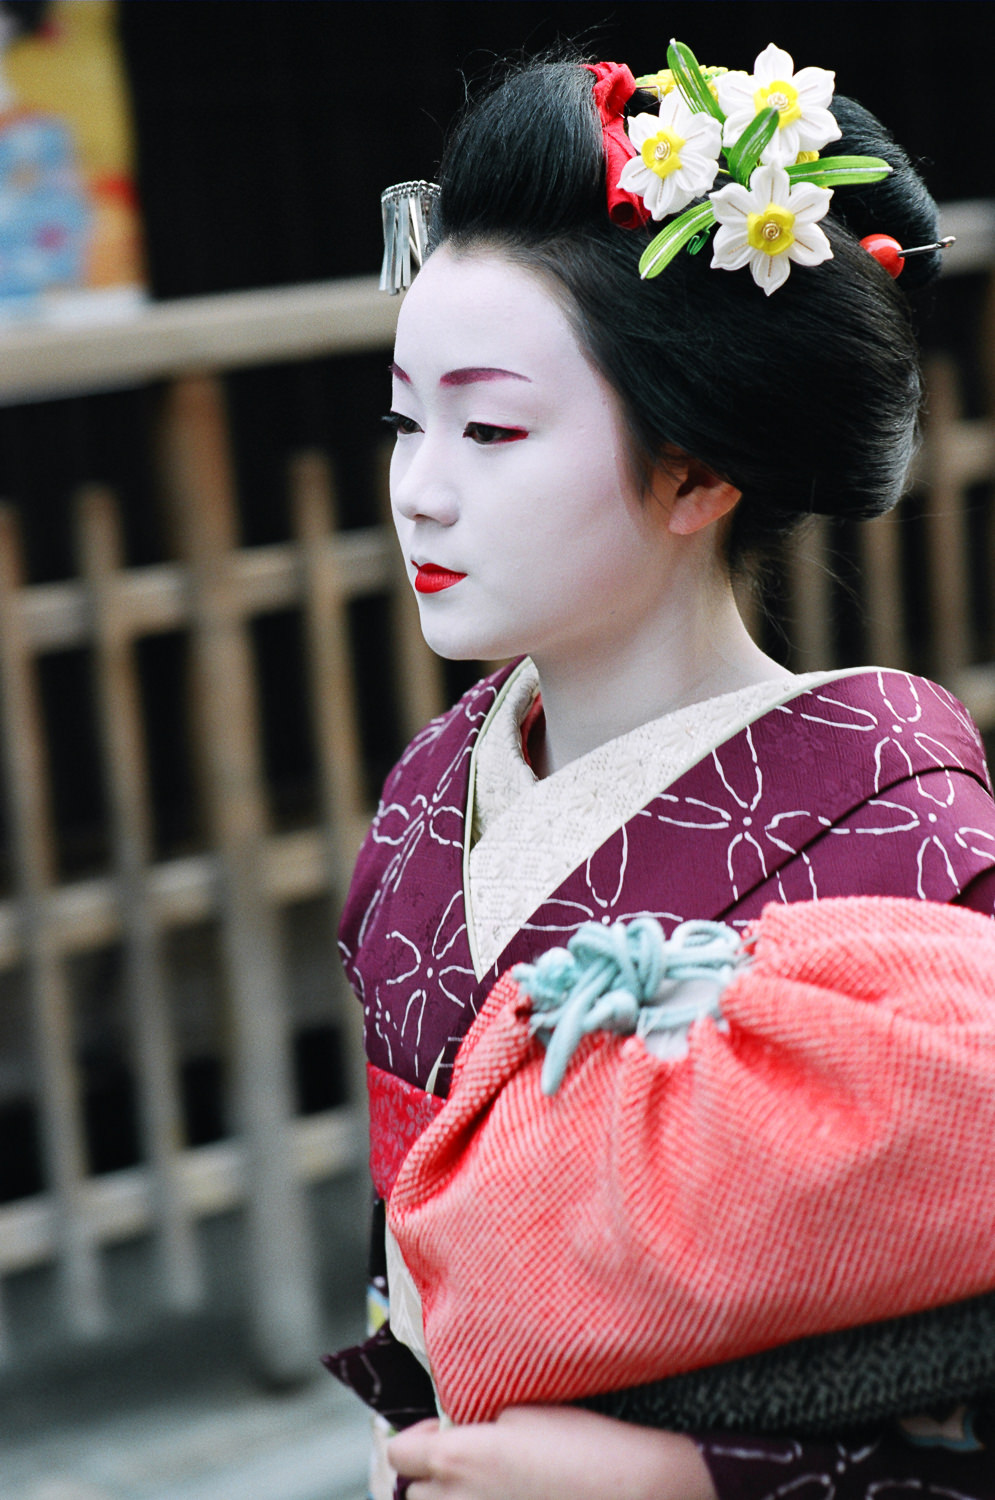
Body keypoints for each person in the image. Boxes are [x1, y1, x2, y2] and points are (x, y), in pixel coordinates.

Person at [326, 40, 995, 1500]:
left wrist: (685, 1479)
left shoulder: (907, 831)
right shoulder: (435, 792)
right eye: (404, 417)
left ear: (696, 471)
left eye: (491, 427)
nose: (420, 486)